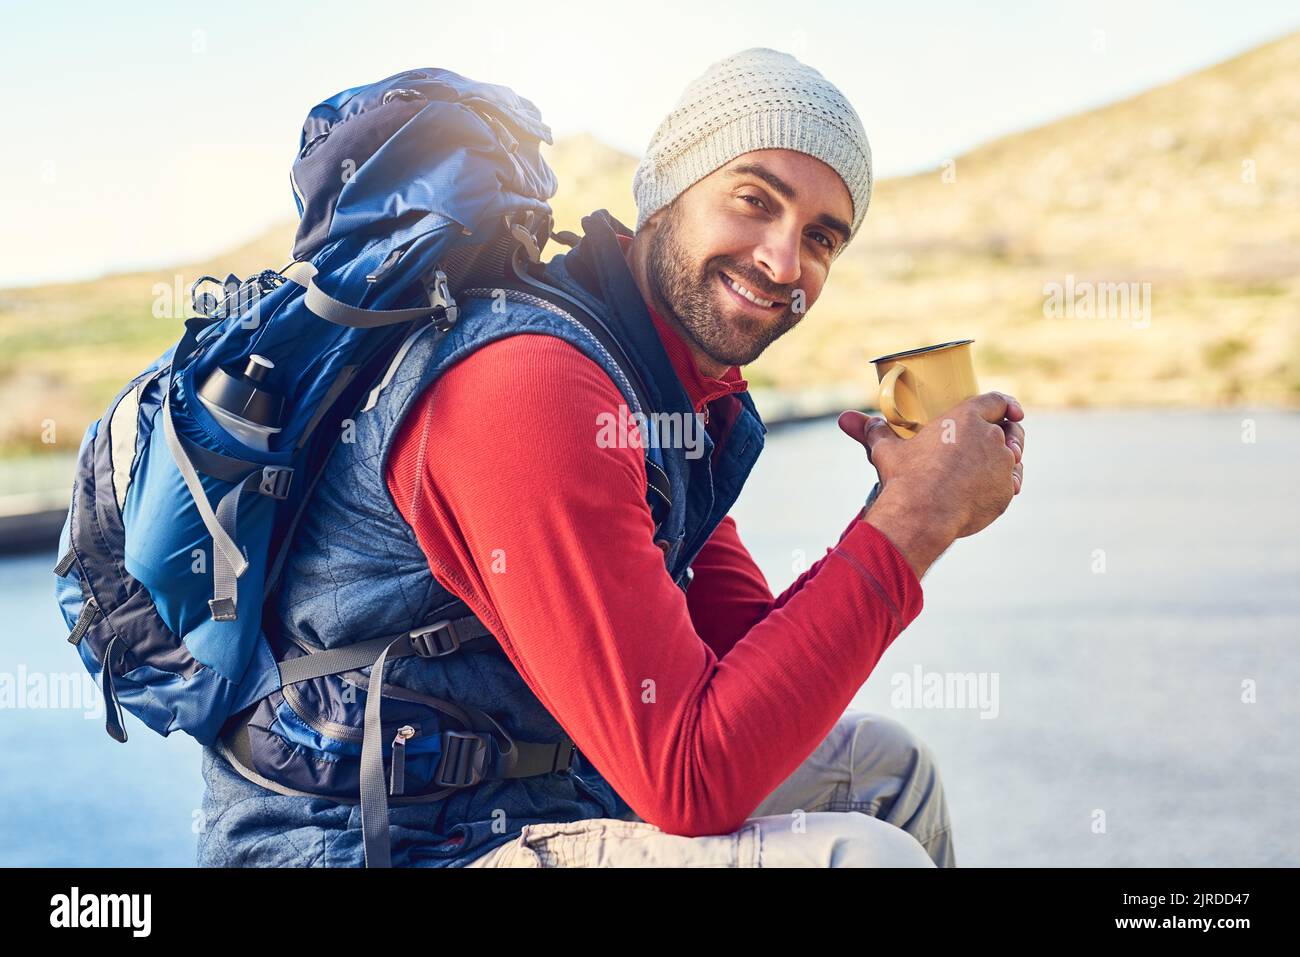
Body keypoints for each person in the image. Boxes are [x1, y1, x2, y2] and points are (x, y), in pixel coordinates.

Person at [198, 47, 1025, 868]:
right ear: (664, 188)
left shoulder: (666, 397)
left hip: (533, 807)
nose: (782, 261)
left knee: (887, 771)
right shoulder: (533, 386)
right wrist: (914, 521)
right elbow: (691, 779)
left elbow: (743, 677)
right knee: (862, 858)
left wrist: (898, 506)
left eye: (820, 238)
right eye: (753, 200)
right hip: (371, 846)